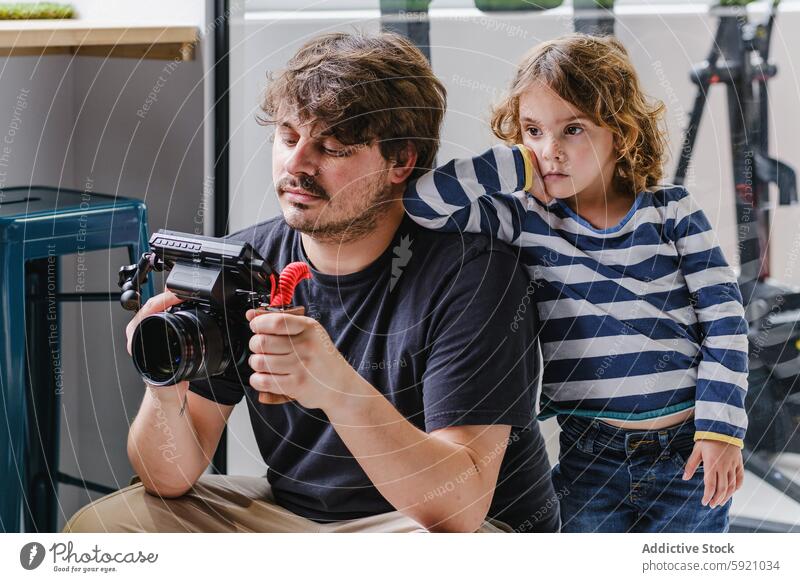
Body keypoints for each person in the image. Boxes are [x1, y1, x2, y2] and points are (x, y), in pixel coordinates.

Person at [63, 31, 560, 534]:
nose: (296, 165)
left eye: (332, 147)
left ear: (400, 161)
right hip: (296, 520)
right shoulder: (246, 264)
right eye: (287, 136)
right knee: (106, 528)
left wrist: (336, 387)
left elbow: (457, 507)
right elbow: (167, 478)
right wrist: (165, 386)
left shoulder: (473, 272)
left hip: (441, 529)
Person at [404, 33, 748, 532]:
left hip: (689, 451)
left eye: (572, 130)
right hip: (589, 452)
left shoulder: (670, 210)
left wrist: (722, 430)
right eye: (533, 130)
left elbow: (724, 319)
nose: (550, 151)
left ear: (621, 132)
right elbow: (421, 207)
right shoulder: (523, 218)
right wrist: (512, 164)